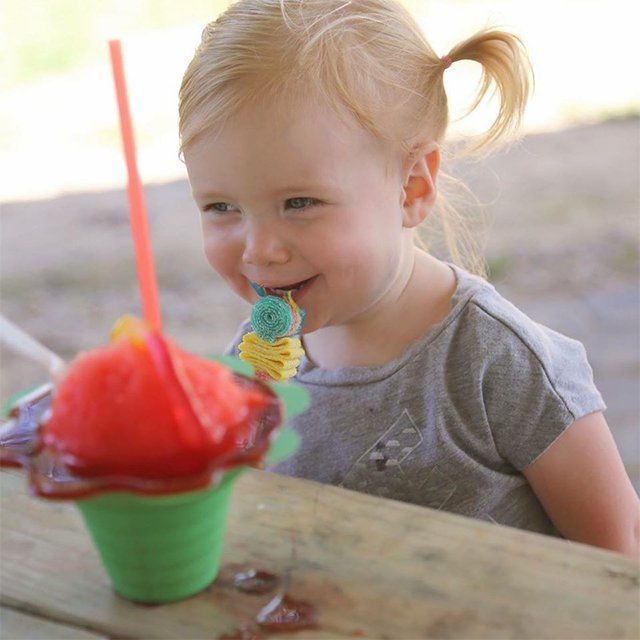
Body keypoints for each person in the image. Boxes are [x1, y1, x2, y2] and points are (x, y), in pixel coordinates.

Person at [178, 0, 639, 558]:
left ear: (412, 189)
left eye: (299, 202)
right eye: (221, 207)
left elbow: (619, 556)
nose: (259, 249)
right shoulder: (255, 364)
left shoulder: (496, 363)